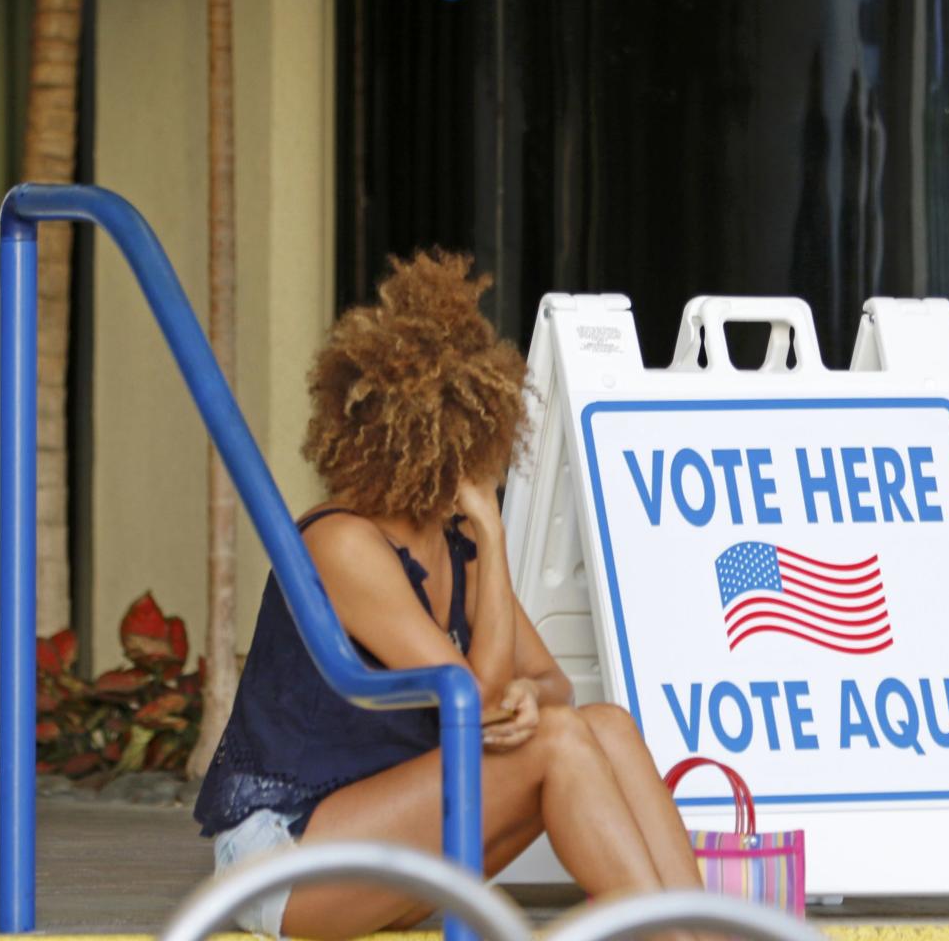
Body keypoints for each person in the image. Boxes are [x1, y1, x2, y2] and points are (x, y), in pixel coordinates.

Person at [192, 251, 703, 938]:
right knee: (554, 743)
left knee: (605, 726)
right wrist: (494, 538)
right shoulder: (343, 544)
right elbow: (476, 704)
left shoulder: (449, 544)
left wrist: (530, 697)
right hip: (283, 856)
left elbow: (550, 686)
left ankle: (704, 932)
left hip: (380, 843)